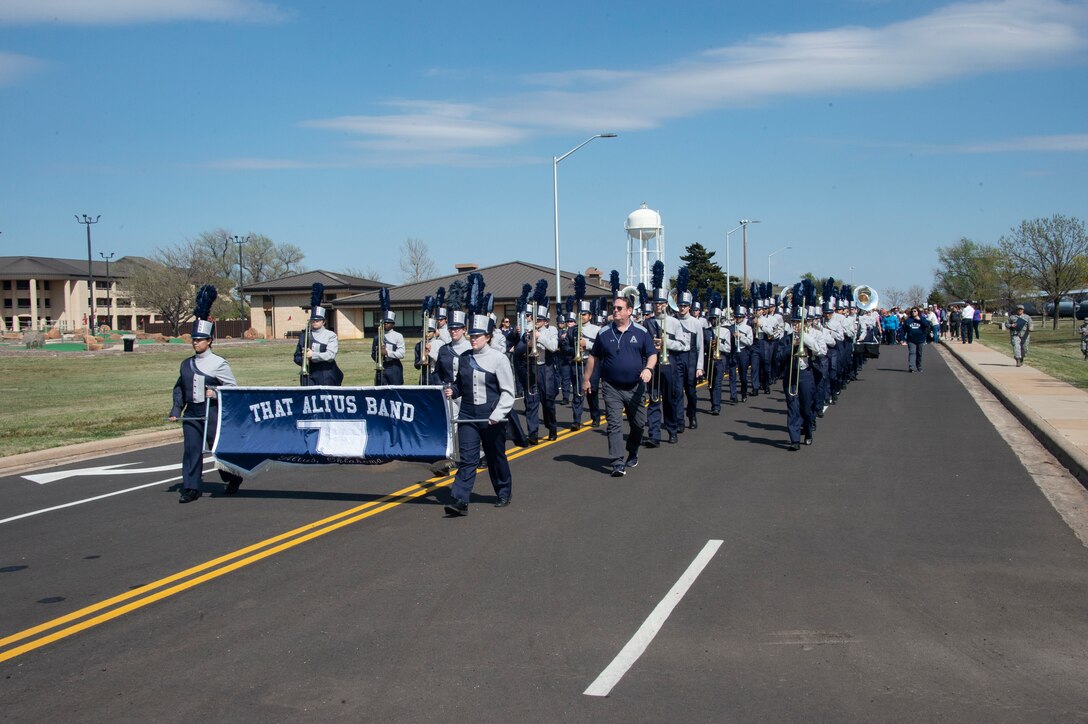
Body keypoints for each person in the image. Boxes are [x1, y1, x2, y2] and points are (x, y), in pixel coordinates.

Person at [169, 285, 244, 503]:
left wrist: (216, 392)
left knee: (217, 449)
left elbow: (233, 389)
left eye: (200, 339)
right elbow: (179, 389)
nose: (195, 342)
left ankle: (232, 477)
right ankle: (191, 487)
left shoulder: (219, 363)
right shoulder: (186, 364)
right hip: (193, 412)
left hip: (212, 412)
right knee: (191, 450)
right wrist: (176, 409)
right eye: (194, 339)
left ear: (209, 340)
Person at [443, 312, 516, 516]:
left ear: (488, 336)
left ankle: (503, 491)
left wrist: (498, 413)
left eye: (478, 335)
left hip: (491, 415)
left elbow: (509, 392)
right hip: (468, 414)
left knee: (495, 457)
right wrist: (453, 391)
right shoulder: (465, 358)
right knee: (468, 458)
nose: (473, 339)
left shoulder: (498, 359)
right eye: (472, 336)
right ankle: (460, 499)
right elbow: (460, 385)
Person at [582, 294, 658, 477]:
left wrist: (648, 368)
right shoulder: (604, 332)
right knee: (614, 424)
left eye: (619, 308)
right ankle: (617, 462)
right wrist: (586, 379)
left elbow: (652, 354)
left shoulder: (641, 332)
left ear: (629, 311)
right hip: (611, 386)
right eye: (614, 308)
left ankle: (632, 451)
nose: (614, 311)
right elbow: (594, 356)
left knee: (639, 424)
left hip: (635, 387)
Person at [294, 285, 343, 386]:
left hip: (326, 373)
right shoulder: (304, 336)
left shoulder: (330, 335)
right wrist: (303, 360)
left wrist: (313, 355)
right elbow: (296, 356)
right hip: (309, 374)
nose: (315, 322)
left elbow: (330, 355)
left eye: (318, 320)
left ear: (323, 322)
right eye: (313, 320)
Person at [371, 310, 406, 384]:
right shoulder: (377, 337)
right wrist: (378, 355)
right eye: (384, 322)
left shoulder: (398, 336)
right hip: (381, 367)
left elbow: (401, 354)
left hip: (394, 366)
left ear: (393, 324)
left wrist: (387, 352)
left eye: (388, 322)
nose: (386, 323)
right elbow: (373, 354)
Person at [903, 306, 932, 372]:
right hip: (911, 339)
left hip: (920, 339)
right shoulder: (908, 320)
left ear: (918, 312)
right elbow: (903, 329)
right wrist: (902, 338)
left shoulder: (922, 318)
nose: (913, 312)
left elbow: (927, 325)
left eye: (915, 311)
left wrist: (920, 320)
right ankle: (911, 367)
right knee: (912, 352)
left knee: (919, 353)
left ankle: (919, 366)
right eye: (912, 311)